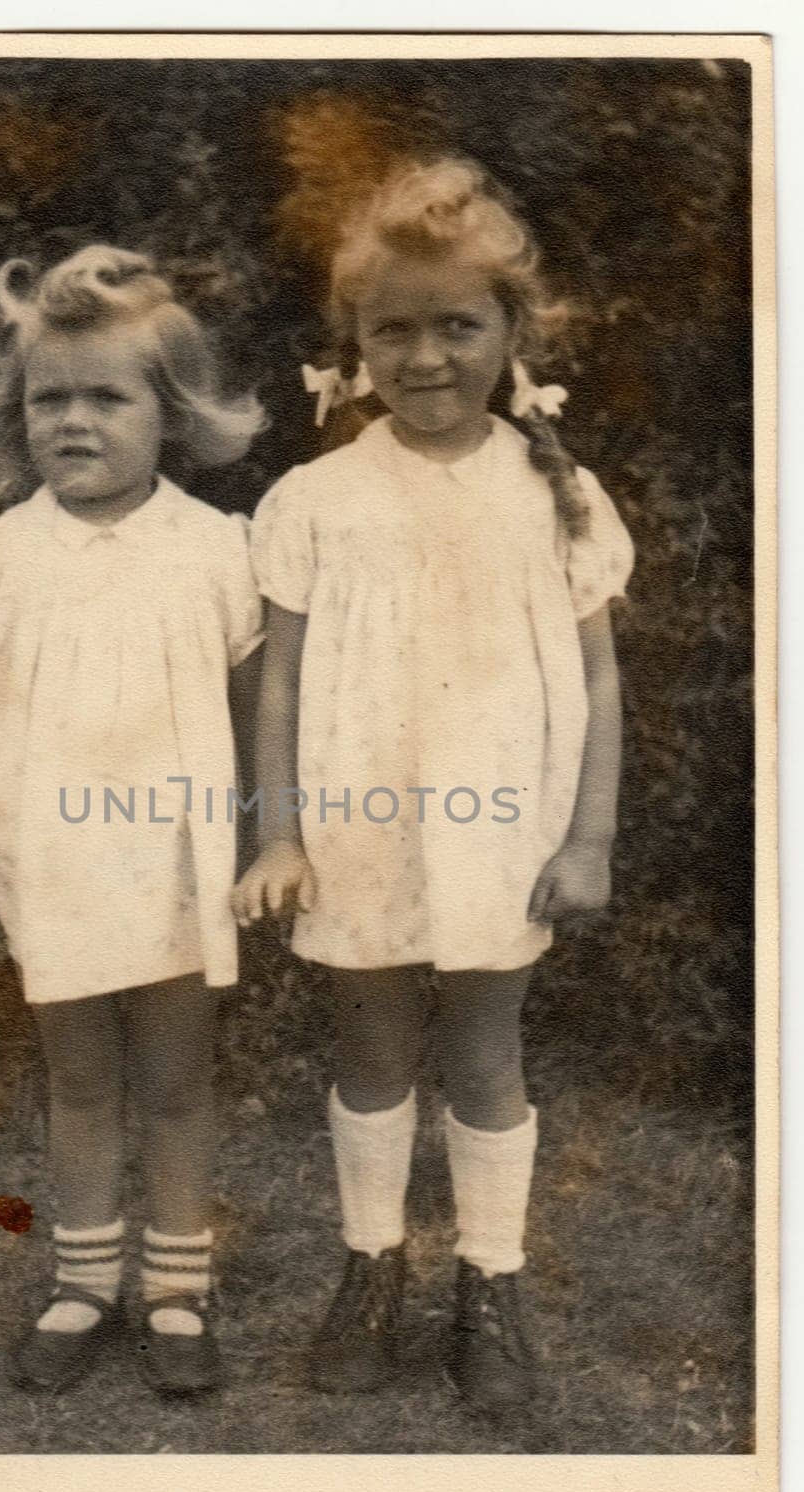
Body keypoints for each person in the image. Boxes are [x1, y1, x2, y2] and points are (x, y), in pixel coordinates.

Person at [232, 156, 634, 1416]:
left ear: (512, 332)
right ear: (351, 345)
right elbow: (281, 683)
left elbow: (599, 683)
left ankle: (490, 1282)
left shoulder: (553, 494)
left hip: (502, 826)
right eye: (390, 329)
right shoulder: (315, 497)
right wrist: (279, 832)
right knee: (369, 1048)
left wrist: (588, 841)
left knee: (482, 1047)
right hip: (354, 823)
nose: (423, 358)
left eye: (456, 325)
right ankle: (369, 1268)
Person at [0, 244, 265, 1397]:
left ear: (169, 415)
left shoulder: (219, 551)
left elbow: (246, 717)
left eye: (105, 396)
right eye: (47, 397)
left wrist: (263, 841)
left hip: (175, 868)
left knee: (174, 1081)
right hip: (53, 868)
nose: (72, 420)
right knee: (77, 1082)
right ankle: (79, 1280)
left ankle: (176, 1291)